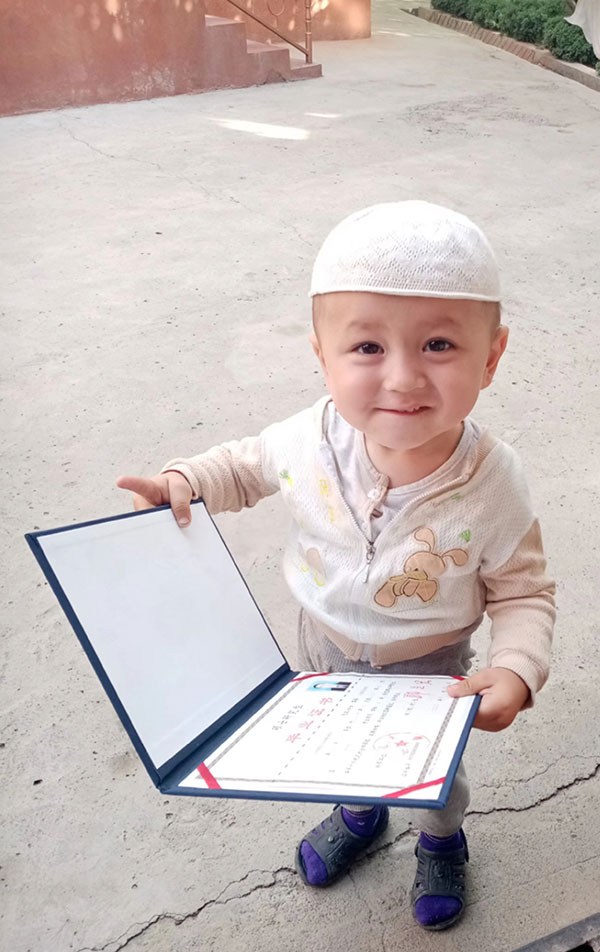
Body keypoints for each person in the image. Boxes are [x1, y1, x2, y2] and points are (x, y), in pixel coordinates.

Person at [117, 201, 555, 931]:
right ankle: (358, 813)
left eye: (439, 344)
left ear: (492, 355)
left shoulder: (493, 483)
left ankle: (441, 840)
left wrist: (516, 668)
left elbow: (524, 593)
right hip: (322, 647)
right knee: (343, 754)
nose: (403, 378)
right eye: (367, 347)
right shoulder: (305, 440)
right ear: (322, 355)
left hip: (430, 670)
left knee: (434, 780)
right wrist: (184, 481)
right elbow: (243, 466)